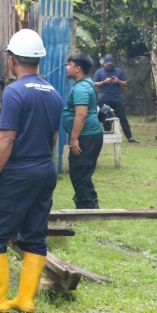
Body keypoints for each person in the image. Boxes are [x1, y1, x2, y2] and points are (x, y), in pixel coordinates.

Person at [0, 29, 63, 313]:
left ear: (13, 59)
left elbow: (6, 139)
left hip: (20, 172)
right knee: (35, 234)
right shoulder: (54, 94)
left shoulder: (15, 92)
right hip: (45, 170)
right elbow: (54, 138)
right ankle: (25, 299)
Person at [65, 53, 103, 209]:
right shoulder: (87, 83)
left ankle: (85, 209)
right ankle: (92, 206)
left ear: (77, 68)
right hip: (90, 135)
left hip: (85, 137)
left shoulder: (81, 88)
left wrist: (74, 139)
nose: (66, 67)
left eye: (69, 65)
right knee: (83, 173)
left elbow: (81, 114)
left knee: (79, 174)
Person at [93, 55, 138, 144]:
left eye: (111, 65)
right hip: (104, 98)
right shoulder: (99, 72)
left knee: (122, 117)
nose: (110, 66)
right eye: (108, 65)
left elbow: (125, 83)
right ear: (104, 64)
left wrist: (118, 81)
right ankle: (106, 133)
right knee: (105, 116)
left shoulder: (119, 71)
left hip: (116, 98)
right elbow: (94, 83)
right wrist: (104, 82)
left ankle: (130, 137)